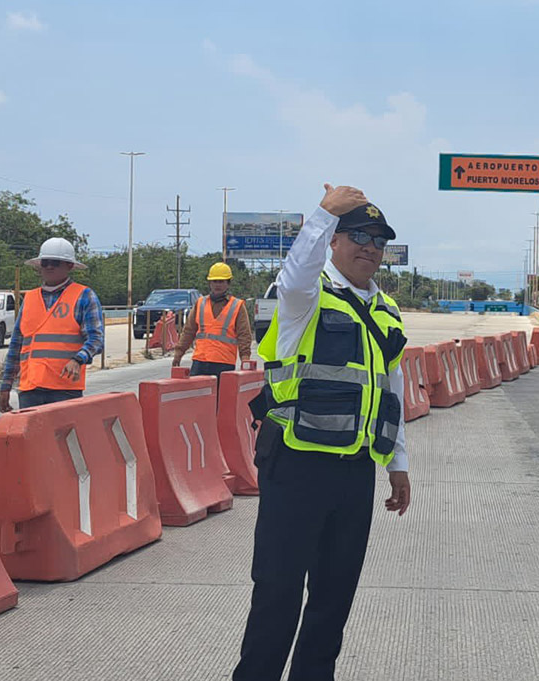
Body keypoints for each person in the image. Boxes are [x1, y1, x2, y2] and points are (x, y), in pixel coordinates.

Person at [233, 184, 412, 681]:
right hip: (295, 465)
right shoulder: (304, 299)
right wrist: (320, 216)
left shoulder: (387, 311)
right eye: (357, 235)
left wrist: (397, 465)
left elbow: (391, 389)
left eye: (378, 241)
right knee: (278, 592)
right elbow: (295, 278)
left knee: (334, 598)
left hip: (355, 471)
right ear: (333, 240)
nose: (369, 248)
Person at [0, 237, 104, 412]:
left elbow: (96, 339)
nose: (48, 267)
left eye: (55, 262)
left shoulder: (84, 296)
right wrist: (5, 387)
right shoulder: (30, 299)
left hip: (65, 389)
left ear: (69, 266)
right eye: (45, 262)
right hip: (29, 389)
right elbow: (16, 346)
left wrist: (78, 359)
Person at [171, 262, 252, 378]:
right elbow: (188, 331)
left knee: (221, 396)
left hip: (224, 363)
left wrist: (245, 359)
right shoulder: (200, 303)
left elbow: (244, 335)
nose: (217, 285)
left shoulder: (237, 306)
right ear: (209, 283)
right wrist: (178, 354)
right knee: (198, 395)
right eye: (214, 281)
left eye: (221, 281)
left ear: (228, 283)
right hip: (200, 361)